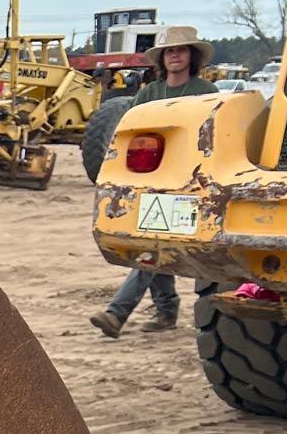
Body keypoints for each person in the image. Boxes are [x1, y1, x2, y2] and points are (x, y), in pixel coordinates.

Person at [90, 25, 220, 338]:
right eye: (170, 51)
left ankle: (117, 312)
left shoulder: (206, 93)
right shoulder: (149, 94)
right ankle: (166, 309)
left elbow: (213, 138)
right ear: (162, 58)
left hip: (189, 184)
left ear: (192, 56)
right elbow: (132, 132)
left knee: (155, 246)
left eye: (181, 50)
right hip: (152, 181)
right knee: (156, 243)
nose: (175, 56)